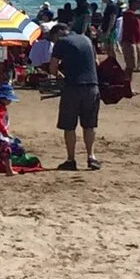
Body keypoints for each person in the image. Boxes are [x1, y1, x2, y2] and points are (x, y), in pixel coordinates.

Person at [50, 16, 102, 170]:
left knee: (69, 125)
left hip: (73, 86)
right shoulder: (86, 39)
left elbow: (53, 68)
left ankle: (71, 159)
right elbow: (96, 62)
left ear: (58, 34)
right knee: (89, 125)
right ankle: (91, 156)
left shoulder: (61, 42)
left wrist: (60, 76)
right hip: (92, 86)